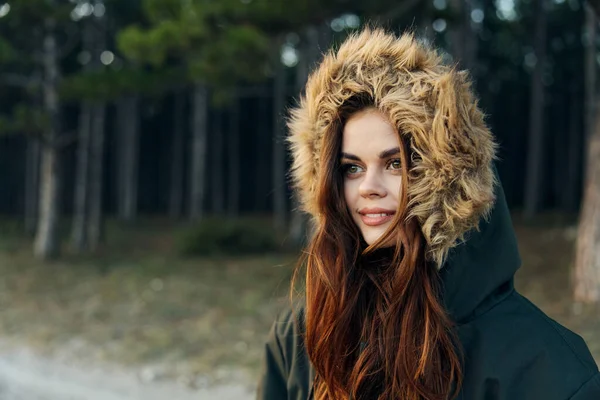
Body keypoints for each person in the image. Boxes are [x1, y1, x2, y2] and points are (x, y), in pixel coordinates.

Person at [256, 28, 600, 400]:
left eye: (395, 164)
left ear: (446, 177)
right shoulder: (304, 339)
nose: (368, 186)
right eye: (351, 168)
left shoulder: (544, 367)